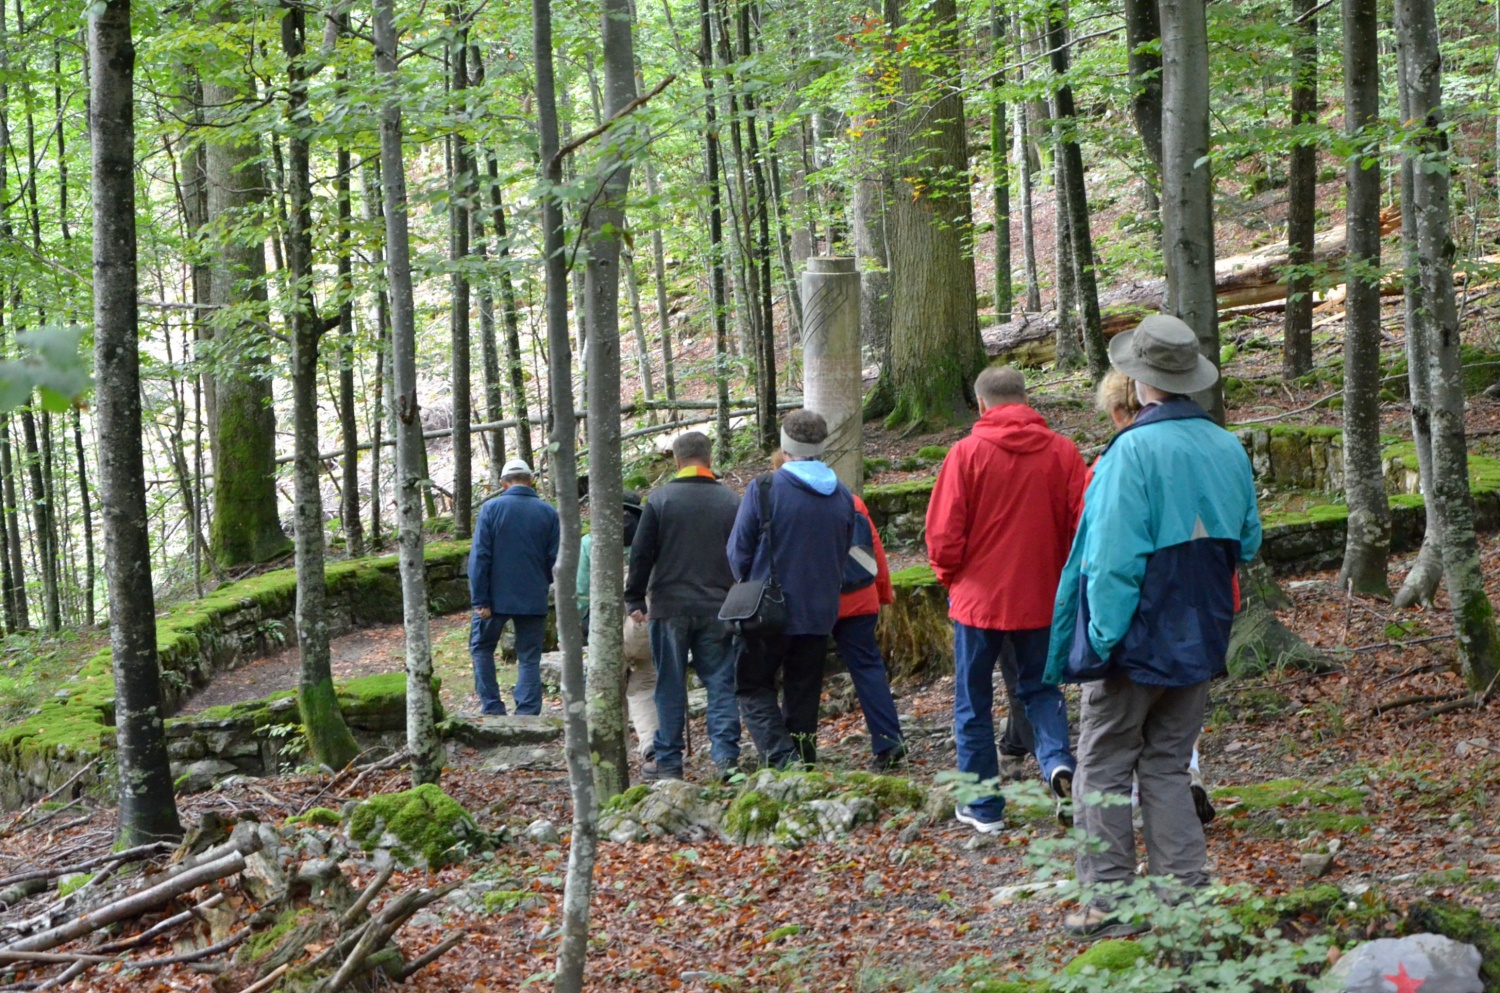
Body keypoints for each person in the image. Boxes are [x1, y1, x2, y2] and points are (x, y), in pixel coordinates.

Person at [1047, 314, 1260, 940]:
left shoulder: (1131, 452)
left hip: (1136, 635)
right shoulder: (1228, 445)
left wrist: (1104, 641)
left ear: (1140, 383)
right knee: (1167, 763)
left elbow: (1110, 559)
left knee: (1104, 763)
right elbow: (1246, 543)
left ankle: (1108, 900)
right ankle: (1186, 897)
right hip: (1203, 629)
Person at [925, 366, 1088, 834]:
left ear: (980, 404)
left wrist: (951, 577)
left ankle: (983, 806)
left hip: (978, 603)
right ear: (1026, 398)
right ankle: (1058, 765)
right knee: (1040, 690)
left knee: (972, 701)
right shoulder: (1062, 452)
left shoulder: (966, 454)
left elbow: (943, 534)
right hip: (1041, 598)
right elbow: (1082, 526)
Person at [1096, 368, 1215, 826]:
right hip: (1198, 610)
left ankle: (1123, 823)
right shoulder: (1204, 451)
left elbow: (1109, 556)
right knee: (1174, 729)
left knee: (1116, 735)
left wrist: (1100, 636)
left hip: (1138, 616)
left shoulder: (1121, 461)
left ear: (1123, 411)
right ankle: (1191, 776)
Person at [727, 410, 854, 769]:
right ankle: (804, 762)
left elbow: (738, 552)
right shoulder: (841, 495)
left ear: (784, 448)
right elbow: (843, 552)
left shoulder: (765, 488)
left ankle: (783, 760)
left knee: (751, 686)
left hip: (768, 611)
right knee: (804, 693)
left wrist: (749, 580)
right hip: (820, 611)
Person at [625, 432, 743, 781]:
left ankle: (669, 764)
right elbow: (744, 553)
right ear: (709, 458)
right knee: (721, 682)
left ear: (677, 461)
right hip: (718, 607)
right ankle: (726, 760)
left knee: (670, 684)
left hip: (668, 606)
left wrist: (634, 598)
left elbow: (641, 553)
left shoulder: (660, 500)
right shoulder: (731, 501)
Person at [823, 468, 905, 771]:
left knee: (801, 673)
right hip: (860, 597)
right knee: (868, 668)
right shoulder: (852, 502)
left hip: (814, 605)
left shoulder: (789, 502)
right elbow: (876, 550)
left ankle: (799, 750)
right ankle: (889, 742)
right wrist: (883, 593)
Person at [468, 458, 560, 716]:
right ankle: (528, 711)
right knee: (529, 656)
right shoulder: (548, 512)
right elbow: (554, 560)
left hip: (494, 599)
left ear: (503, 483)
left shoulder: (491, 509)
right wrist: (540, 584)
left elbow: (480, 557)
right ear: (531, 481)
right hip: (533, 597)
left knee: (482, 648)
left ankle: (493, 707)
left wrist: (480, 600)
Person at [578, 491, 658, 762]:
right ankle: (649, 743)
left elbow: (581, 592)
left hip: (608, 629)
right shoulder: (651, 541)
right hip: (644, 624)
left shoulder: (591, 543)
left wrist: (582, 626)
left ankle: (613, 754)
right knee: (644, 686)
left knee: (609, 692)